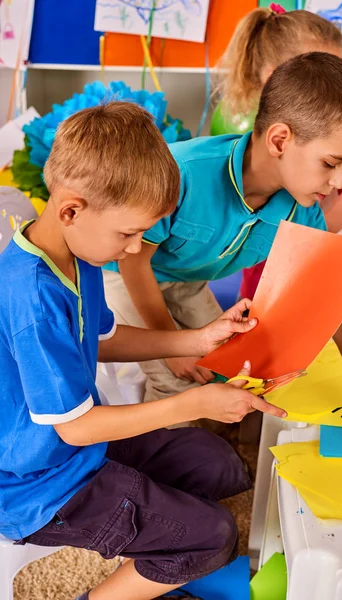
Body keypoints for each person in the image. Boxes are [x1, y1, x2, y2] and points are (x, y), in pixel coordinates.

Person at [0, 102, 286, 600]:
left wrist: (196, 339)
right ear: (71, 209)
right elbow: (74, 426)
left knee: (216, 463)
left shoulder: (78, 249)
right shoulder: (33, 297)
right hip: (38, 488)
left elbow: (106, 339)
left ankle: (149, 541)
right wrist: (194, 404)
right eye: (129, 233)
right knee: (212, 535)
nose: (136, 250)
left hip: (78, 454)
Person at [103, 54, 342, 485]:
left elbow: (339, 313)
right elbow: (133, 259)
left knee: (228, 365)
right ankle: (163, 483)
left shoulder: (301, 207)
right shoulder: (184, 172)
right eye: (331, 164)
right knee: (177, 377)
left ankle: (208, 437)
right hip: (121, 273)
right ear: (279, 140)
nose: (339, 183)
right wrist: (171, 343)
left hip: (187, 278)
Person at [210, 5, 342, 300]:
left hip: (320, 265)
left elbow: (332, 180)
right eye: (320, 72)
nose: (336, 88)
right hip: (273, 288)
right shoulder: (260, 145)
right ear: (276, 75)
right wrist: (334, 219)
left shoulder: (318, 133)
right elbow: (267, 245)